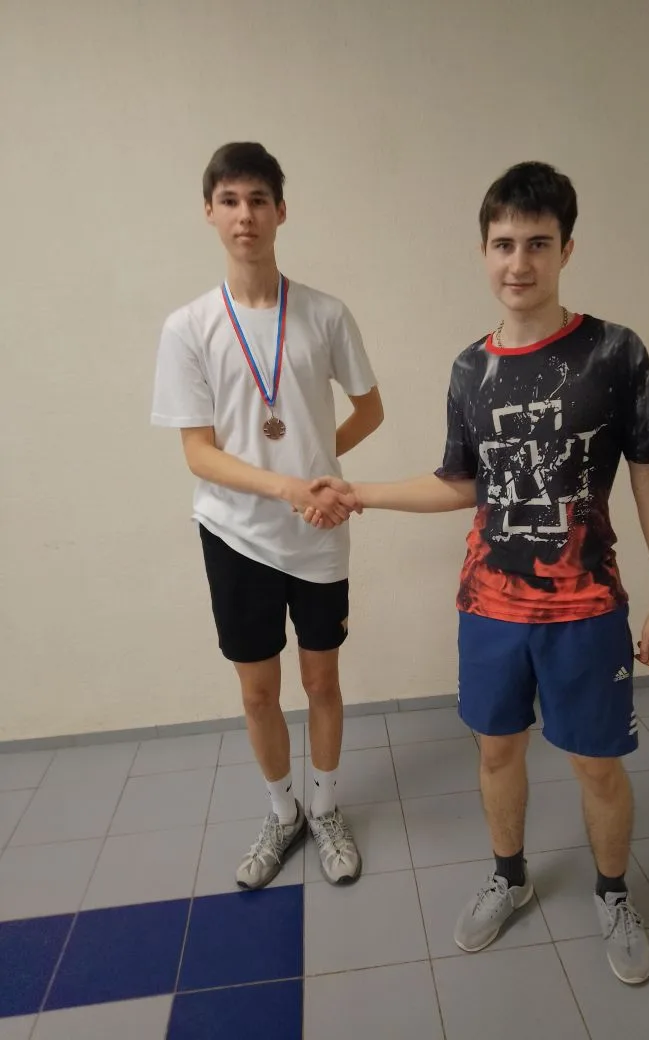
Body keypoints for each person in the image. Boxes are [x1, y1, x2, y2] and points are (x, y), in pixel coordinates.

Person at [303, 162, 649, 983]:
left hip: (588, 607)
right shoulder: (470, 370)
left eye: (538, 244)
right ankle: (509, 878)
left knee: (596, 764)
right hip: (490, 607)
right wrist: (359, 492)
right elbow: (461, 482)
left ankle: (613, 892)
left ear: (566, 250)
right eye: (504, 244)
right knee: (496, 754)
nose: (520, 262)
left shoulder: (615, 352)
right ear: (483, 251)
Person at [151, 141, 383, 889]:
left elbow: (370, 409)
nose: (244, 215)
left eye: (258, 200)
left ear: (282, 210)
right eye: (229, 201)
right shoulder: (188, 327)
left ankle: (325, 808)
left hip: (319, 534)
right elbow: (199, 452)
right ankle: (283, 814)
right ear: (209, 213)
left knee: (321, 683)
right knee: (257, 692)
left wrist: (319, 477)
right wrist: (287, 487)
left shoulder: (325, 313)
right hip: (235, 534)